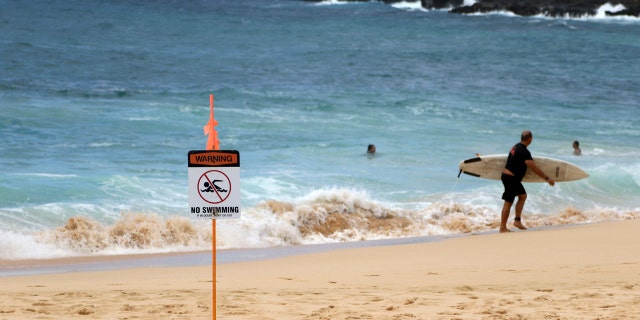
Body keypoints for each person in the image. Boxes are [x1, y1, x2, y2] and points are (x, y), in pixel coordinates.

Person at [500, 130, 555, 233]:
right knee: (509, 202)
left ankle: (516, 221)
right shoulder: (524, 152)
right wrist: (547, 178)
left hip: (509, 177)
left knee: (522, 196)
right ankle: (503, 227)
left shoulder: (515, 147)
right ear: (530, 139)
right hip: (511, 178)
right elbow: (533, 167)